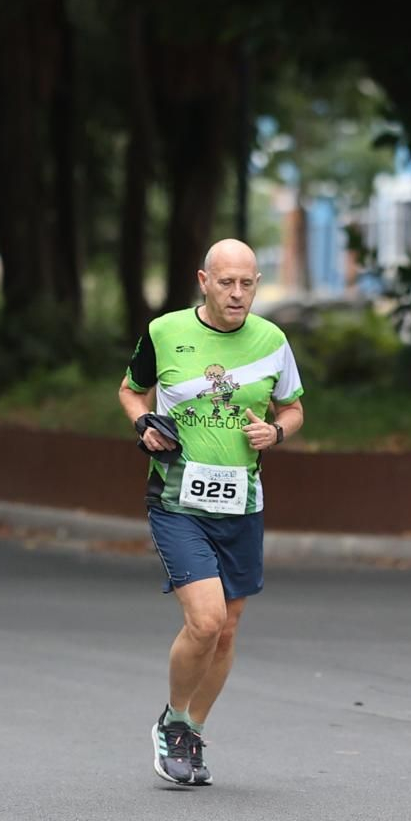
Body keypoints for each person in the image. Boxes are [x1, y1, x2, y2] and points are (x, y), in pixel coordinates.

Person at [120, 239, 302, 786]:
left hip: (242, 503)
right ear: (204, 281)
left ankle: (191, 729)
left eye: (247, 284)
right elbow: (131, 391)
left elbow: (293, 408)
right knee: (206, 620)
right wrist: (143, 424)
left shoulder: (272, 341)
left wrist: (275, 432)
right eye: (227, 283)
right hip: (177, 500)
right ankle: (173, 719)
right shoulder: (165, 332)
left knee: (227, 630)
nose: (237, 294)